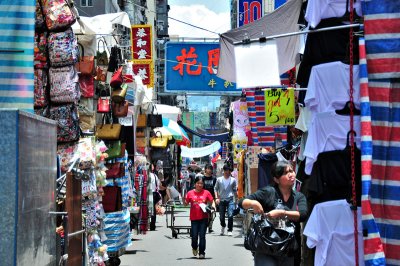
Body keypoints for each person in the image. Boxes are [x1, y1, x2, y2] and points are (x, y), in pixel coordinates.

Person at [238, 161, 308, 266]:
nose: (291, 174)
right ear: (276, 179)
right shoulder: (268, 192)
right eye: (285, 173)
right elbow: (242, 202)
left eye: (291, 171)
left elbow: (302, 215)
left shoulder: (299, 196)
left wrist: (282, 213)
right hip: (266, 248)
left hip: (289, 250)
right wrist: (254, 203)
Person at [185, 175, 214, 259]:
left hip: (204, 218)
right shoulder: (190, 193)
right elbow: (186, 203)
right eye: (198, 183)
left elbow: (211, 201)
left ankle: (202, 252)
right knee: (194, 236)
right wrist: (184, 199)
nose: (200, 185)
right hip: (194, 218)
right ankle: (194, 247)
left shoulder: (206, 192)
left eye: (201, 183)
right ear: (195, 184)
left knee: (202, 236)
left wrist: (209, 206)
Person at [214, 164, 238, 236]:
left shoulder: (233, 180)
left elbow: (234, 190)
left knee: (230, 215)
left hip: (230, 199)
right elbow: (215, 188)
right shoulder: (219, 180)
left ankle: (230, 229)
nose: (227, 172)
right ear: (223, 171)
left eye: (228, 171)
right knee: (221, 216)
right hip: (221, 199)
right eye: (226, 171)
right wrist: (216, 197)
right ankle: (223, 225)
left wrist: (236, 199)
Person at [202, 164, 216, 233]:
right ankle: (204, 225)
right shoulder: (202, 178)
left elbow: (216, 189)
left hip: (212, 198)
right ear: (205, 169)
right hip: (204, 198)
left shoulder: (214, 179)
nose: (209, 170)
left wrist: (216, 197)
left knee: (212, 212)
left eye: (210, 169)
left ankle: (210, 226)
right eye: (208, 168)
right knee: (204, 212)